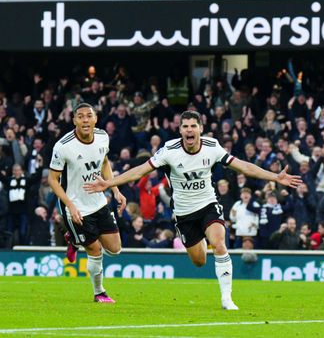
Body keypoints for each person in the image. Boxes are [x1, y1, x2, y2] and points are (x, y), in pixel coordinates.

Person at [84, 110, 302, 310]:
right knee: (199, 261)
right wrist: (108, 184)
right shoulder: (169, 151)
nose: (189, 130)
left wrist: (275, 177)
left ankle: (227, 298)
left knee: (219, 243)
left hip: (208, 204)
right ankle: (202, 240)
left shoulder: (212, 146)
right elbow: (140, 171)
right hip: (184, 212)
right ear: (180, 130)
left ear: (200, 129)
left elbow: (244, 166)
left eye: (193, 126)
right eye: (185, 126)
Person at [48, 103, 127, 303]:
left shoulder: (102, 137)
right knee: (95, 251)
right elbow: (52, 180)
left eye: (88, 116)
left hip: (99, 203)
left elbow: (105, 163)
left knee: (115, 250)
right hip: (75, 206)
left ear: (95, 119)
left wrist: (115, 189)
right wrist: (70, 206)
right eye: (80, 116)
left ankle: (73, 239)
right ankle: (99, 292)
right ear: (74, 120)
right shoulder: (63, 146)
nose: (85, 120)